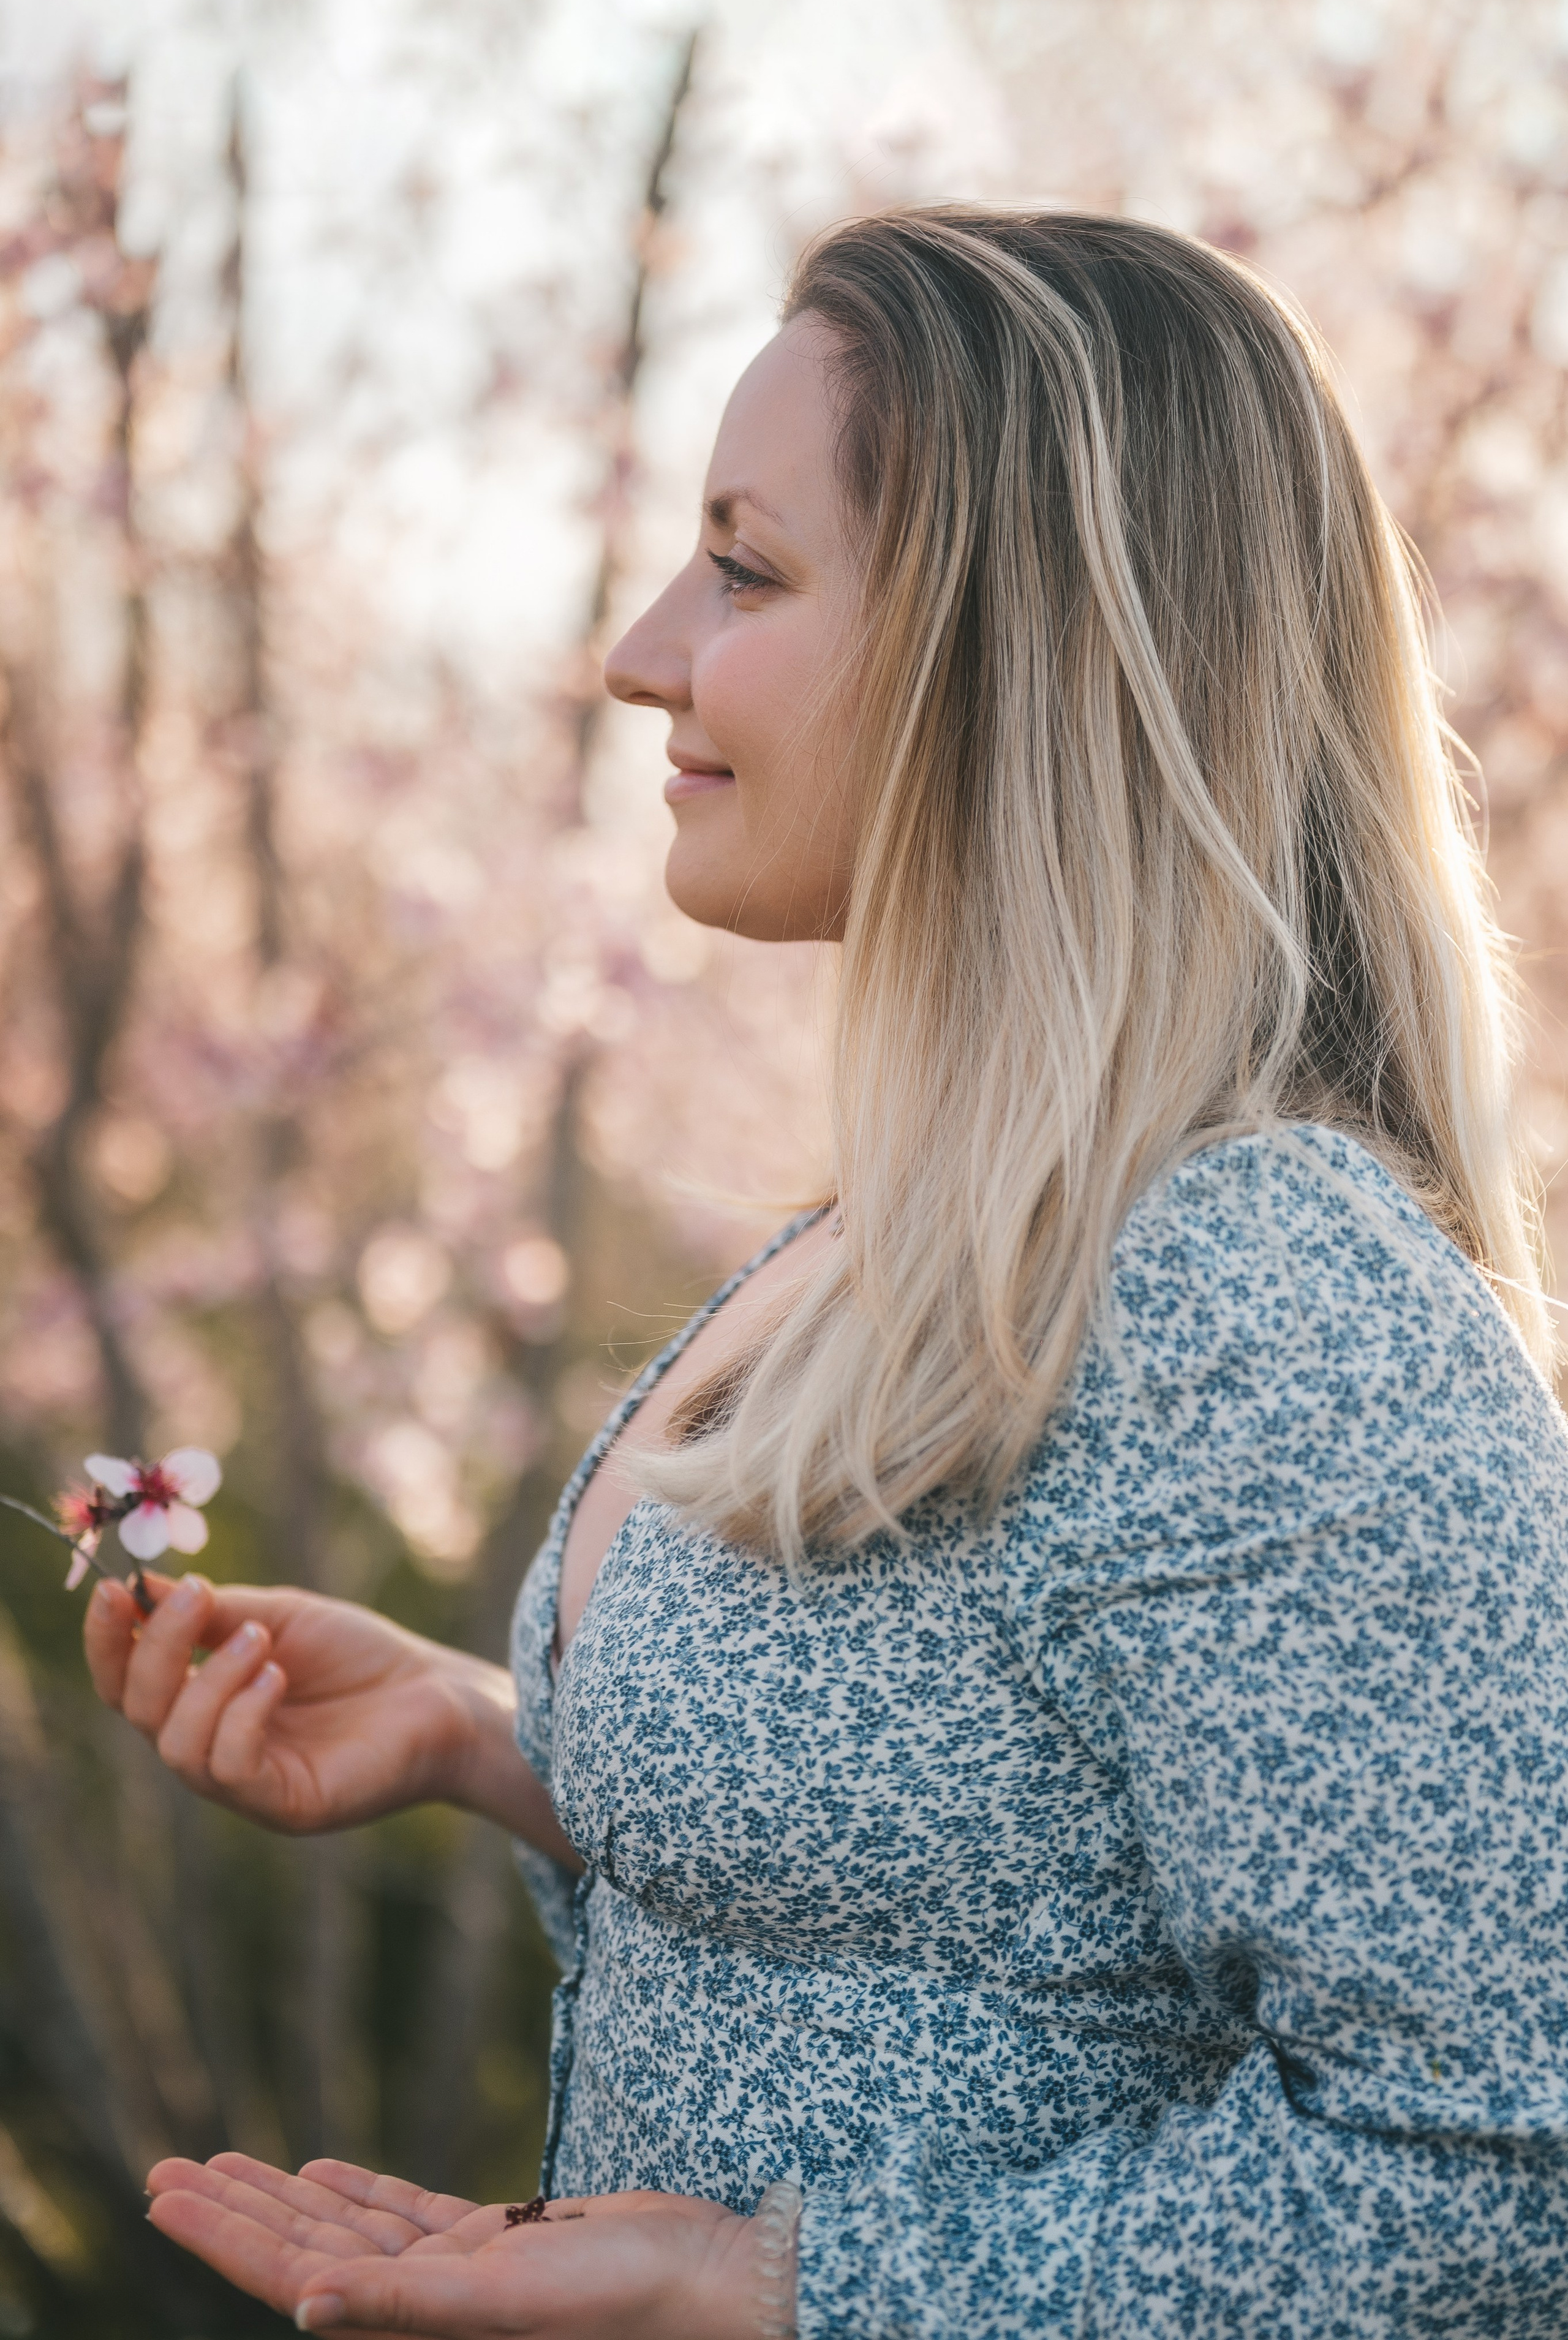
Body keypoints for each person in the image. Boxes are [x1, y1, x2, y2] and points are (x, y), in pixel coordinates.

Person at [86, 209, 1568, 2338]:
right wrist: (498, 1738)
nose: (637, 650)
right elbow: (983, 1893)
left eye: (747, 571)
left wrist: (770, 2294)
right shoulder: (896, 1236)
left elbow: (1508, 2157)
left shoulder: (1256, 1301)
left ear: (1019, 653)